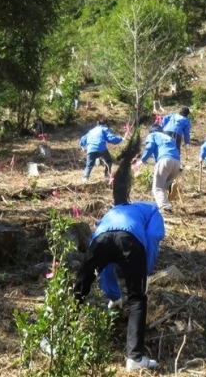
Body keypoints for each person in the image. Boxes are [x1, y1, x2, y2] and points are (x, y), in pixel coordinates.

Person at [74, 201, 165, 371]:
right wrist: (145, 270)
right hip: (131, 241)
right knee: (137, 298)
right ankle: (134, 358)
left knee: (81, 287)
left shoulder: (112, 212)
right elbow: (153, 236)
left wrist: (113, 295)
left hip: (100, 240)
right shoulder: (152, 210)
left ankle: (59, 337)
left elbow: (104, 266)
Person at [137, 125, 181, 212]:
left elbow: (150, 147)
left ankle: (165, 208)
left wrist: (142, 160)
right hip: (177, 163)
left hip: (164, 160)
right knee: (164, 183)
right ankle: (170, 184)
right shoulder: (169, 138)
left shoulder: (153, 135)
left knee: (157, 188)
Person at [79, 118, 124, 183]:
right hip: (101, 148)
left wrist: (82, 145)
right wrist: (120, 139)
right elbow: (111, 138)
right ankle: (107, 176)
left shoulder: (91, 130)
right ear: (105, 124)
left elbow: (83, 140)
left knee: (89, 165)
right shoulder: (104, 129)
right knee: (108, 162)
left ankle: (85, 178)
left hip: (90, 149)